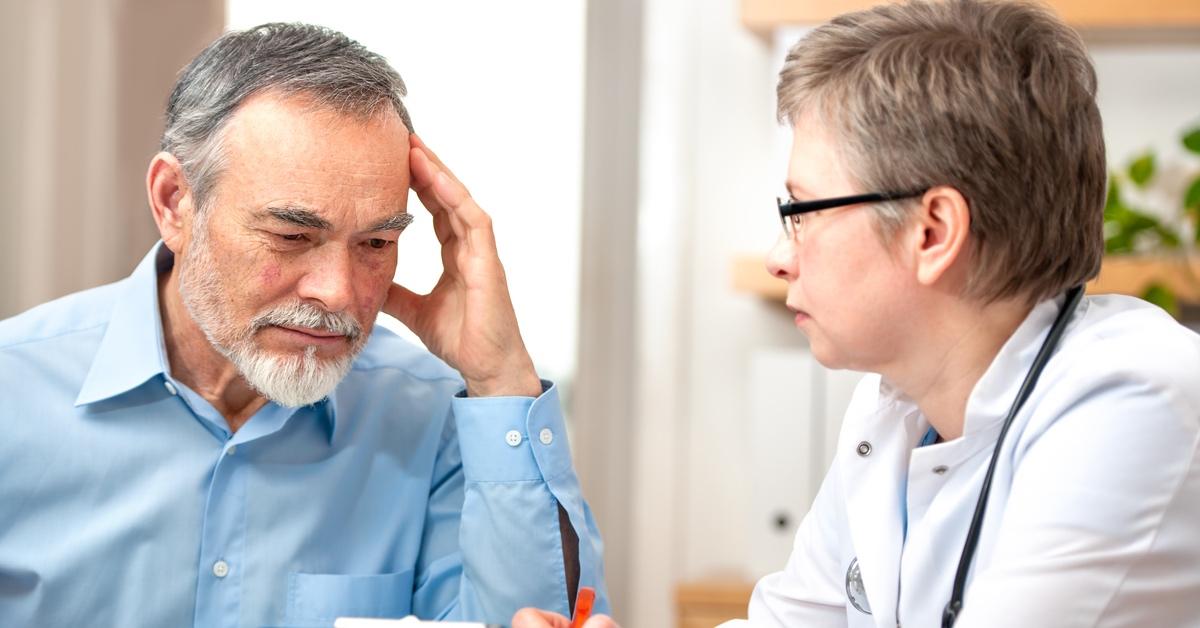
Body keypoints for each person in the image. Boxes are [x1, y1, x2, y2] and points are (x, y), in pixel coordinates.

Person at [515, 0, 1200, 627]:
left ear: (932, 232)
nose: (781, 258)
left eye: (800, 212)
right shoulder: (895, 407)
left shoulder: (1133, 396)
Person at [0, 23, 607, 627]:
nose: (339, 292)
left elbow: (533, 617)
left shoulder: (436, 417)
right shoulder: (14, 393)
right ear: (173, 202)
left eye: (375, 242)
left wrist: (500, 378)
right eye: (292, 237)